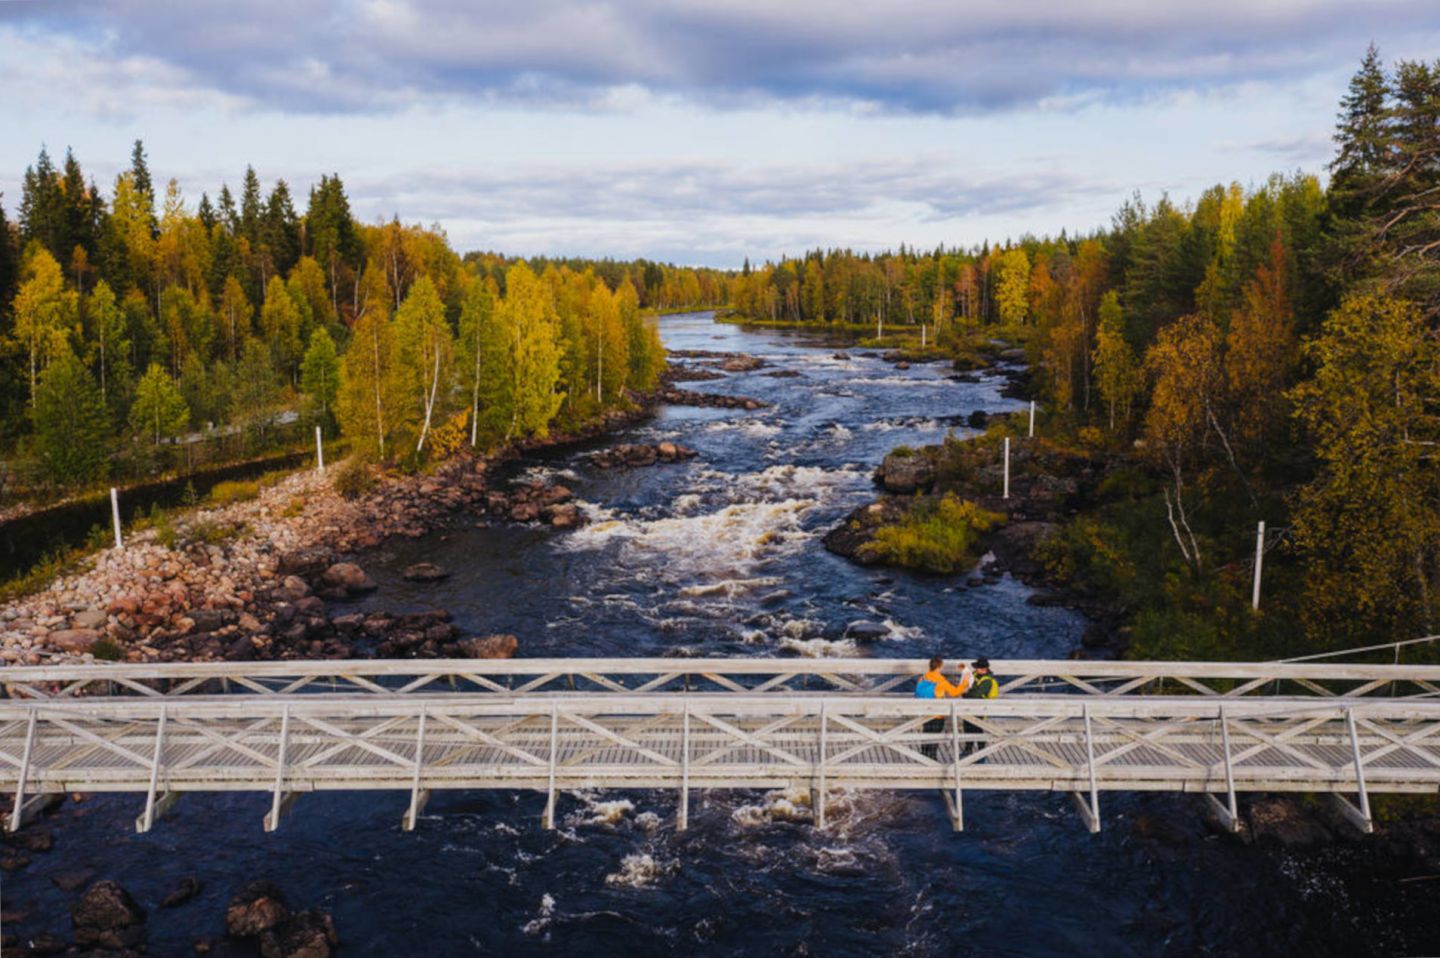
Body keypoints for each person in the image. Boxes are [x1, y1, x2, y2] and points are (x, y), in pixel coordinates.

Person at [914, 656, 971, 759]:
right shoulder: (941, 682)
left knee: (926, 732)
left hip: (925, 711)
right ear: (939, 667)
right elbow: (955, 692)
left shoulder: (922, 678)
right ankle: (932, 757)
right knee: (935, 736)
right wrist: (965, 682)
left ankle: (923, 754)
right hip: (937, 714)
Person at [961, 658, 998, 756]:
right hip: (969, 707)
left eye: (977, 667)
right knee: (968, 729)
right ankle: (968, 750)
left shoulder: (987, 681)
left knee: (977, 730)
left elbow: (975, 695)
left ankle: (982, 753)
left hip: (980, 709)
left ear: (983, 669)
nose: (975, 669)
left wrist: (965, 693)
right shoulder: (976, 675)